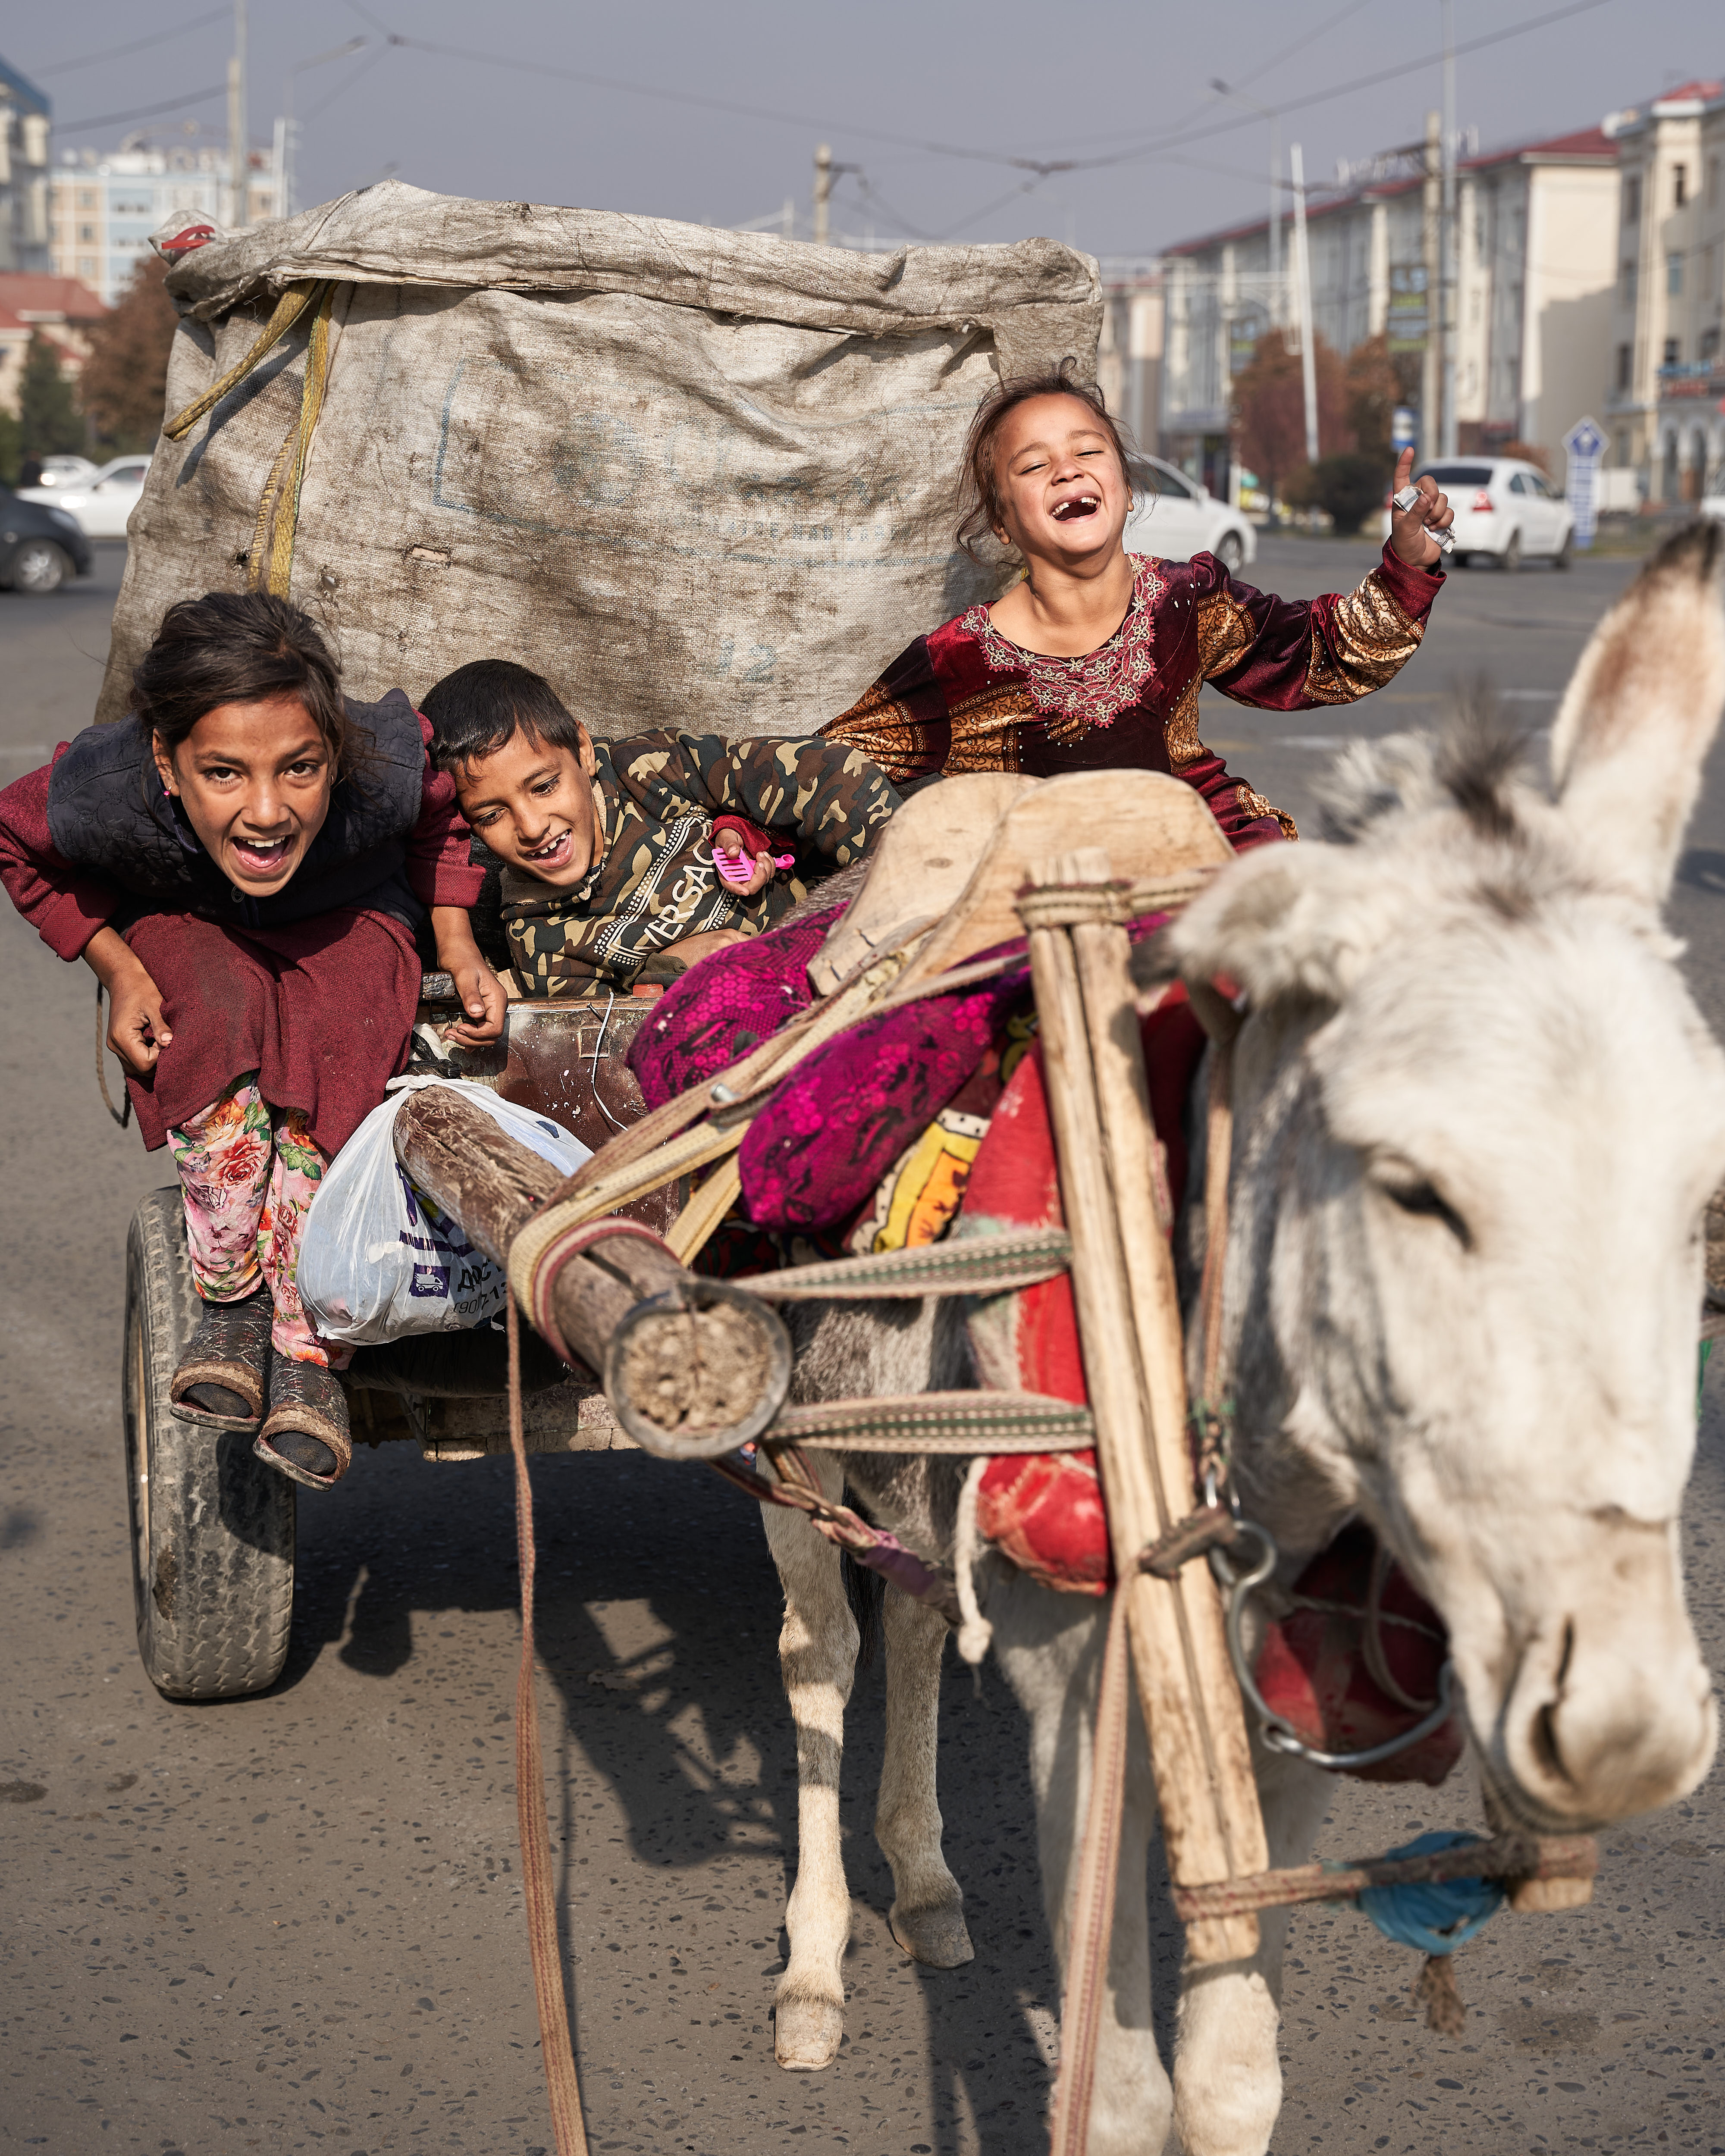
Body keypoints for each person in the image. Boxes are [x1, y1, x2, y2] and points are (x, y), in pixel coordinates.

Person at [0, 591, 505, 1491]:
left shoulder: (385, 764)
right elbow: (18, 845)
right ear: (168, 761)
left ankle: (309, 1347)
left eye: (299, 770)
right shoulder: (102, 791)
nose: (267, 812)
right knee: (213, 1027)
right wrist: (115, 965)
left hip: (348, 915)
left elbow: (444, 817)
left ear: (334, 753)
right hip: (188, 920)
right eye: (225, 773)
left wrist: (456, 938)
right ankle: (231, 1305)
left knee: (343, 1055)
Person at [819, 364, 1455, 845]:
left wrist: (1410, 563)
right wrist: (754, 837)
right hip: (1050, 898)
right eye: (1035, 465)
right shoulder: (956, 661)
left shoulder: (1189, 599)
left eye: (1088, 451)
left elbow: (1326, 653)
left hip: (1211, 857)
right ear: (1003, 522)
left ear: (1125, 489)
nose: (1067, 470)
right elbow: (831, 768)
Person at [421, 658, 899, 994]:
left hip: (851, 936)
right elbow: (608, 1046)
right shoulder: (539, 936)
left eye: (544, 786)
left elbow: (824, 771)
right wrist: (674, 967)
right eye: (491, 815)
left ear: (583, 751)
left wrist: (892, 889)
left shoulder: (645, 770)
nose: (531, 826)